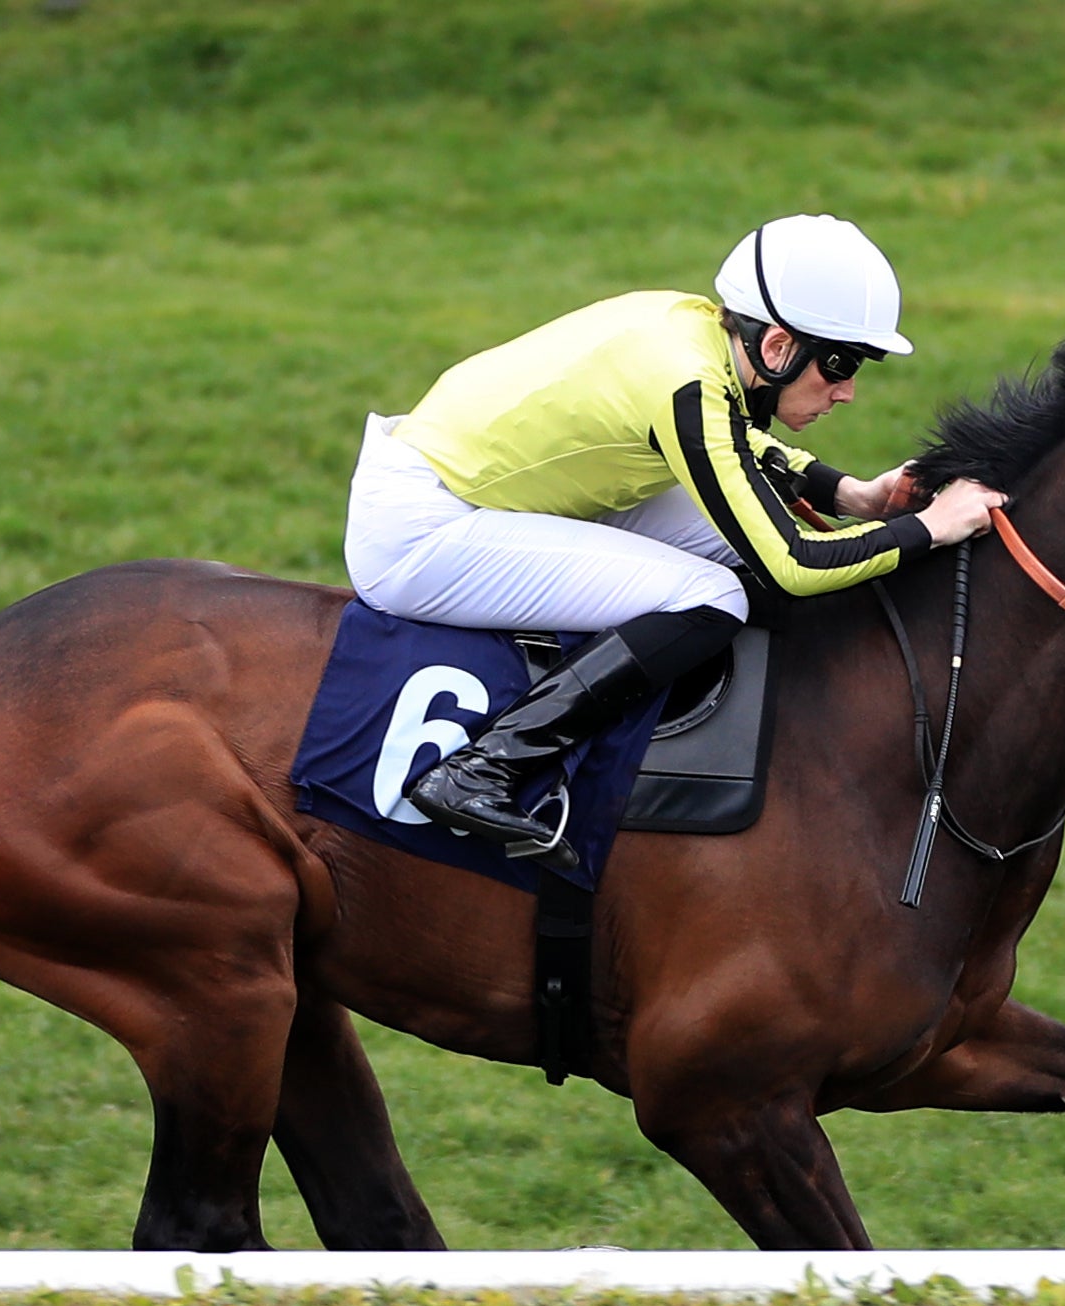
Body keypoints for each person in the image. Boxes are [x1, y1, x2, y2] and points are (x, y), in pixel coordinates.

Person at [343, 214, 1007, 866]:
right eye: (838, 366)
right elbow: (794, 565)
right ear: (776, 346)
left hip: (490, 488)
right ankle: (486, 767)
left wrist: (848, 494)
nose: (848, 392)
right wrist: (929, 527)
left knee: (726, 549)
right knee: (713, 594)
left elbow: (725, 441)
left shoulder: (695, 334)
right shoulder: (684, 378)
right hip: (422, 530)